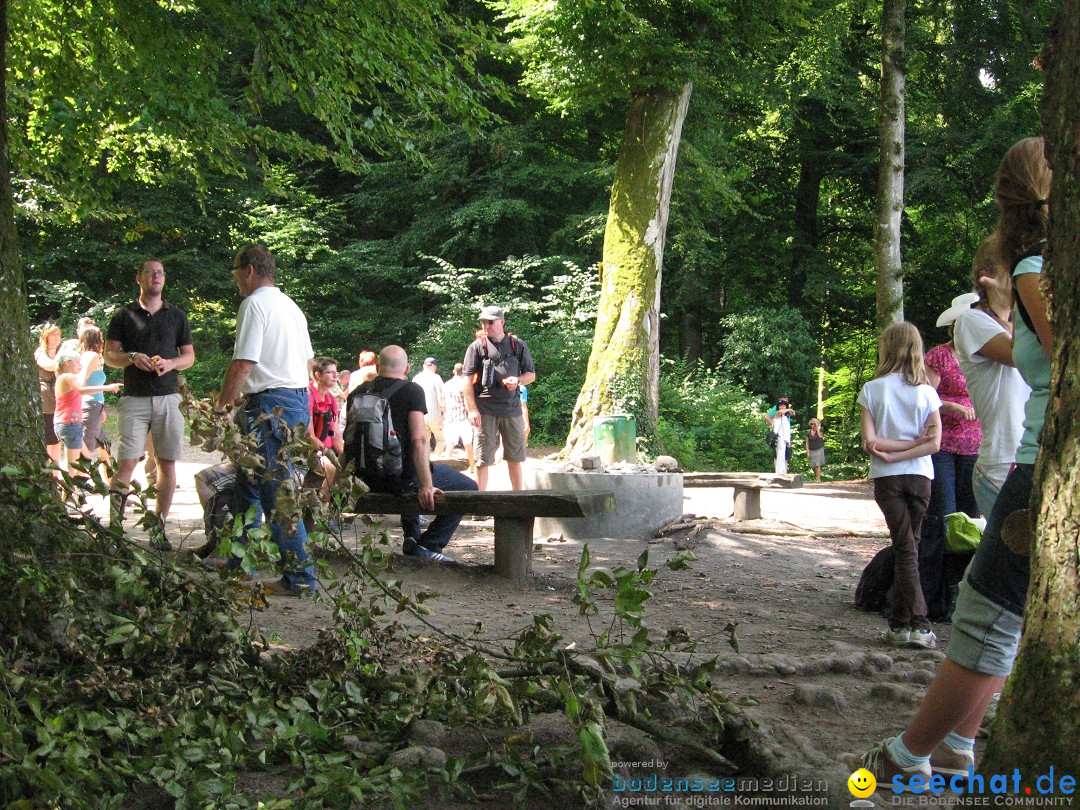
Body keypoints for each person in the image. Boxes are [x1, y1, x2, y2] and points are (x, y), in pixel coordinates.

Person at [843, 136, 1052, 781]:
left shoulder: (1033, 278)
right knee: (986, 610)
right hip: (1010, 464)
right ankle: (924, 750)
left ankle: (934, 749)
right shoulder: (1012, 290)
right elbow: (1022, 358)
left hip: (1005, 464)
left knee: (992, 614)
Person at [216, 244, 318, 596]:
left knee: (278, 494)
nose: (235, 281)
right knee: (247, 488)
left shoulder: (254, 304)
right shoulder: (292, 307)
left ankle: (301, 580)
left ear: (248, 271)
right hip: (294, 401)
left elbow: (243, 363)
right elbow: (306, 365)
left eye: (235, 272)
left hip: (270, 408)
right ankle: (237, 566)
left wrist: (222, 406)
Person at [347, 345, 478, 562]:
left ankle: (412, 537)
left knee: (410, 471)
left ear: (378, 366)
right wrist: (427, 485)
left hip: (364, 479)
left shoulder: (356, 394)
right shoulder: (412, 390)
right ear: (407, 369)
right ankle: (429, 545)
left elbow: (349, 439)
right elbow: (419, 439)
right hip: (398, 480)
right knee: (468, 487)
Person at [858, 321, 943, 650]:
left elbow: (872, 442)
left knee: (905, 546)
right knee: (910, 547)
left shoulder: (872, 390)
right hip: (921, 476)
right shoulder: (927, 394)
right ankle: (911, 624)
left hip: (887, 478)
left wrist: (891, 454)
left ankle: (909, 624)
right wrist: (911, 449)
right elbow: (933, 444)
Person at [104, 259, 195, 547]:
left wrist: (170, 364)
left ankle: (159, 530)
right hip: (134, 398)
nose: (156, 277)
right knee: (126, 464)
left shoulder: (176, 315)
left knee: (166, 464)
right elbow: (109, 355)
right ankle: (115, 530)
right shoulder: (123, 315)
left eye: (160, 273)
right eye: (151, 273)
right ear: (139, 279)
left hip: (169, 397)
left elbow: (189, 357)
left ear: (164, 280)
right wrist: (132, 357)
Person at [947, 238, 1030, 518]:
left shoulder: (1012, 323)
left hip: (1024, 458)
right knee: (1010, 560)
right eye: (1014, 269)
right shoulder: (971, 321)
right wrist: (1022, 299)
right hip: (1001, 465)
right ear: (988, 276)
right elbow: (1018, 353)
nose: (1023, 276)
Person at [919, 334, 981, 621]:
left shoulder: (987, 354)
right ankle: (930, 597)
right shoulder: (939, 356)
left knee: (970, 521)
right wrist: (953, 407)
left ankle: (962, 594)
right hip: (942, 444)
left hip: (976, 446)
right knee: (943, 516)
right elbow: (925, 396)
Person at [462, 305, 536, 491]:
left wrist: (517, 380)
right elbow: (467, 381)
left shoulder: (517, 345)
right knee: (482, 459)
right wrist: (472, 409)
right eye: (483, 322)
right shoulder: (477, 347)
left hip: (512, 409)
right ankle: (479, 503)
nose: (485, 325)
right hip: (485, 409)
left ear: (502, 322)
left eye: (490, 322)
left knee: (515, 458)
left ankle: (518, 500)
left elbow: (531, 375)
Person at [52, 345, 122, 482]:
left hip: (67, 424)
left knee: (85, 459)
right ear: (67, 363)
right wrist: (106, 387)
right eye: (77, 362)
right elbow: (82, 390)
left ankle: (70, 494)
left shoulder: (64, 377)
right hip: (69, 425)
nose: (79, 365)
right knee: (71, 467)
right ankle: (62, 500)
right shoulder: (68, 377)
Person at [77, 326, 113, 482]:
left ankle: (114, 490)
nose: (103, 341)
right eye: (100, 337)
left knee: (105, 449)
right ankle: (72, 488)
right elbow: (81, 383)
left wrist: (102, 409)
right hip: (90, 408)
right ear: (95, 340)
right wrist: (106, 387)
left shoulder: (88, 356)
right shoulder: (90, 356)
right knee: (85, 452)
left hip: (96, 407)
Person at [307, 356, 344, 489]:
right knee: (331, 468)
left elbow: (334, 432)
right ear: (318, 375)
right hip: (312, 449)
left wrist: (344, 453)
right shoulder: (308, 396)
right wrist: (330, 455)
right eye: (330, 372)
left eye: (336, 373)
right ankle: (323, 504)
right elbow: (310, 436)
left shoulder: (331, 400)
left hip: (327, 448)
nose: (335, 376)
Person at [35, 323, 63, 466]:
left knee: (57, 442)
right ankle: (46, 474)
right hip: (45, 403)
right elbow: (48, 365)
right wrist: (65, 362)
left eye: (58, 334)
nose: (57, 337)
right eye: (53, 334)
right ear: (46, 336)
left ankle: (56, 474)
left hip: (59, 403)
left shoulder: (61, 352)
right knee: (47, 441)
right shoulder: (40, 352)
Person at [441, 362, 475, 474]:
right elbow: (467, 401)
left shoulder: (446, 384)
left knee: (450, 445)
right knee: (468, 445)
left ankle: (445, 470)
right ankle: (472, 468)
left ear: (453, 371)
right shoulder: (465, 384)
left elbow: (443, 401)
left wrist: (444, 413)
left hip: (451, 418)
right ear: (464, 372)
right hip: (463, 418)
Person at [412, 357, 445, 454]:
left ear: (423, 366)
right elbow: (440, 396)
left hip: (420, 416)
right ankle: (436, 461)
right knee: (441, 440)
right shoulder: (436, 378)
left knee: (424, 441)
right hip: (434, 415)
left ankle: (426, 463)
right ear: (434, 367)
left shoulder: (416, 378)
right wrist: (445, 411)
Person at [761, 397, 795, 474]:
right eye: (781, 405)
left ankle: (783, 472)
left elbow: (786, 430)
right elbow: (780, 412)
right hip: (778, 438)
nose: (782, 407)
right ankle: (779, 473)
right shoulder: (777, 414)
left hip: (784, 438)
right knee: (779, 456)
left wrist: (788, 441)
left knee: (783, 456)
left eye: (784, 405)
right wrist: (789, 410)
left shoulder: (785, 418)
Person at [804, 418, 825, 482]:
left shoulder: (820, 430)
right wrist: (807, 451)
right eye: (812, 424)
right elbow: (807, 443)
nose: (813, 425)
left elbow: (820, 436)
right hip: (812, 450)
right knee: (813, 465)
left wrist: (817, 428)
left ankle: (818, 479)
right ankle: (817, 476)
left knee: (817, 464)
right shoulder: (808, 433)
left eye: (814, 424)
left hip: (819, 449)